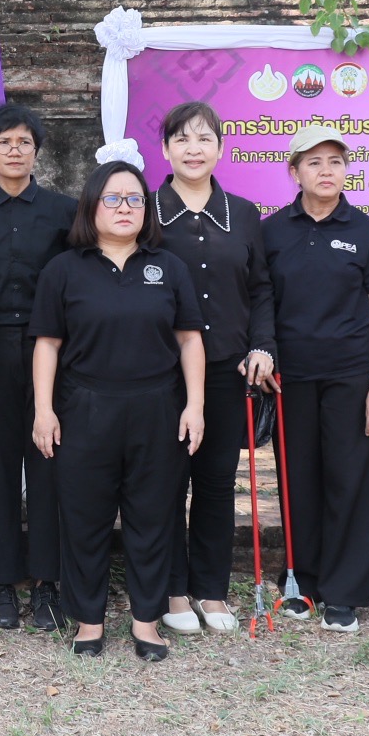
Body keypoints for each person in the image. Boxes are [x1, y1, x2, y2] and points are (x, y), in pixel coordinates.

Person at [28, 159, 206, 662]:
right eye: (113, 198)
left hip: (158, 407)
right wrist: (44, 410)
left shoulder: (167, 266)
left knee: (152, 517)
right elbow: (47, 345)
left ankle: (146, 623)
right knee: (85, 517)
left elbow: (190, 340)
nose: (124, 207)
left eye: (134, 199)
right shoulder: (64, 269)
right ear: (91, 205)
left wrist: (195, 405)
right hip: (85, 407)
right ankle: (89, 620)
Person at [260, 125, 369, 634]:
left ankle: (343, 593)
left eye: (335, 161)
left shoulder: (364, 231)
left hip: (351, 378)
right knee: (299, 484)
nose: (326, 171)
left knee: (351, 483)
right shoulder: (272, 232)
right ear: (294, 170)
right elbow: (263, 305)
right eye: (314, 162)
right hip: (290, 380)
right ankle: (302, 583)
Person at [153, 101, 275, 633]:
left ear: (221, 148)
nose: (193, 148)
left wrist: (262, 347)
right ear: (165, 149)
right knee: (163, 481)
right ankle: (172, 591)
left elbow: (262, 289)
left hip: (228, 368)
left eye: (204, 139)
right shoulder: (146, 211)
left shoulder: (244, 213)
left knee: (216, 481)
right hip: (159, 372)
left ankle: (211, 590)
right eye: (182, 139)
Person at [0, 103, 79, 633]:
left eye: (24, 142)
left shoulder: (64, 211)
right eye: (4, 142)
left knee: (50, 462)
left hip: (51, 349)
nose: (14, 150)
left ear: (37, 150)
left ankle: (48, 584)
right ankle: (2, 585)